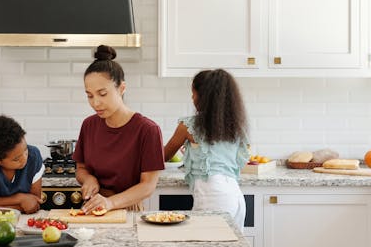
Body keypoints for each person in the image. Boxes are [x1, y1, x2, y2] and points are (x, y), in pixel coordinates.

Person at [74, 45, 165, 214]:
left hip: (128, 211)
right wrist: (89, 179)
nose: (95, 103)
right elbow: (81, 169)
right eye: (89, 95)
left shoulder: (148, 130)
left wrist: (110, 203)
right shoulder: (89, 125)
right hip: (92, 209)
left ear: (122, 88)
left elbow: (148, 186)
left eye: (102, 94)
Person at [163, 69, 249, 229]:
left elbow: (164, 156)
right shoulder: (234, 126)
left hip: (213, 197)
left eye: (193, 93)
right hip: (234, 196)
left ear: (203, 97)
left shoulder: (188, 126)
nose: (192, 97)